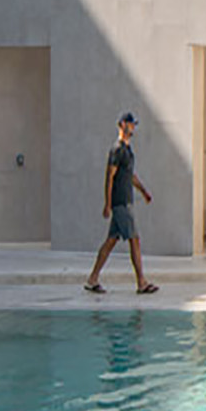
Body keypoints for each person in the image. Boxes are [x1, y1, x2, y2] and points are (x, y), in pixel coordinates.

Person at [85, 112, 155, 294]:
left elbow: (130, 176)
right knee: (135, 240)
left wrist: (144, 191)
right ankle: (141, 282)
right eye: (131, 124)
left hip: (127, 202)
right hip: (120, 203)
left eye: (134, 125)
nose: (133, 128)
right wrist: (108, 204)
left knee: (110, 241)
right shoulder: (117, 149)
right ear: (123, 124)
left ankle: (92, 279)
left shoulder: (127, 151)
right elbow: (110, 177)